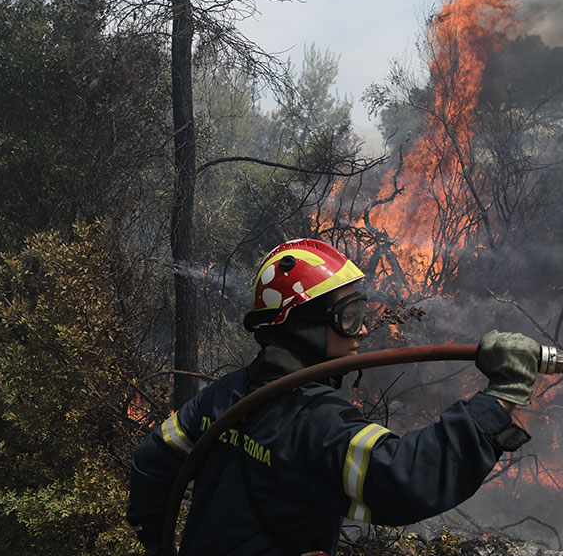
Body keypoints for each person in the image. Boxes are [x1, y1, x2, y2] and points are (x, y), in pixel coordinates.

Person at [127, 238, 540, 556]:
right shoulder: (315, 422)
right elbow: (404, 479)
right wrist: (498, 398)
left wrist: (158, 544)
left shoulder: (223, 396)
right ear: (302, 325)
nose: (361, 330)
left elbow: (152, 460)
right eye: (349, 317)